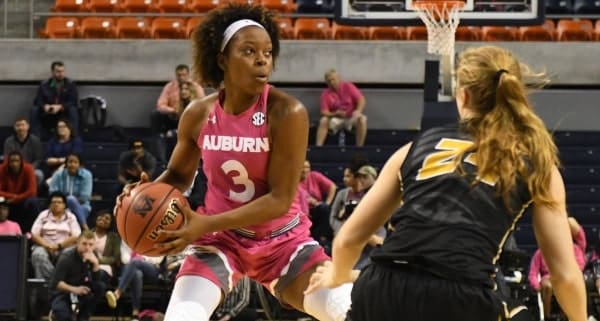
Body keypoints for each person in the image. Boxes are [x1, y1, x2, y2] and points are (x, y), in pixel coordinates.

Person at [306, 45, 587, 321]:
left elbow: (348, 240)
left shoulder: (415, 147)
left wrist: (338, 276)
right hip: (462, 298)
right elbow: (564, 275)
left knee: (322, 299)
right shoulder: (538, 162)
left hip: (384, 287)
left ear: (462, 96)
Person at [116, 4, 353, 321]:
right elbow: (178, 175)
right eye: (249, 51)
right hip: (220, 243)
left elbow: (280, 200)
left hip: (283, 243)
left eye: (268, 52)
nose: (262, 60)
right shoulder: (199, 114)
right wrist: (142, 197)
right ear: (222, 60)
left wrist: (205, 223)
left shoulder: (287, 112)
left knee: (351, 311)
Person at [105, 244, 183, 321]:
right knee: (137, 274)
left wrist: (143, 260)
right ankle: (135, 314)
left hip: (153, 269)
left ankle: (117, 293)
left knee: (135, 262)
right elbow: (124, 259)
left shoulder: (152, 236)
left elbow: (158, 259)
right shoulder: (127, 237)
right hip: (132, 270)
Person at [528, 217, 587, 320]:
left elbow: (580, 266)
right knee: (547, 285)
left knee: (567, 282)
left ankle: (566, 315)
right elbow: (533, 273)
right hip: (548, 278)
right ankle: (547, 316)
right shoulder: (540, 252)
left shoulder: (574, 248)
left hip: (564, 276)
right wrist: (536, 285)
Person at [48, 230, 107, 321]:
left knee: (100, 286)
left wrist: (96, 264)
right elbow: (56, 284)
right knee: (64, 317)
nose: (87, 248)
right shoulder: (66, 257)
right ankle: (55, 313)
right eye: (84, 244)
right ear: (77, 243)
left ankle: (83, 317)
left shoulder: (92, 255)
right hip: (64, 291)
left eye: (91, 245)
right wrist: (75, 290)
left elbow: (96, 280)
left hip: (81, 288)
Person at [153, 64, 205, 162]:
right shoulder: (171, 88)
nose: (183, 92)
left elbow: (202, 108)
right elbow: (160, 105)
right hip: (175, 117)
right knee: (157, 116)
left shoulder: (196, 89)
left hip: (193, 122)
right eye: (179, 75)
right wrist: (174, 111)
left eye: (184, 75)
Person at [30, 192, 81, 280]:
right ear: (49, 205)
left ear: (64, 205)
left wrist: (59, 246)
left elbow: (76, 236)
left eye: (59, 202)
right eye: (53, 202)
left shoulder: (71, 217)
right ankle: (55, 282)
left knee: (69, 254)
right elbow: (34, 234)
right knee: (38, 255)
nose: (56, 204)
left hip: (64, 247)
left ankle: (55, 282)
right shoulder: (43, 215)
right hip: (45, 246)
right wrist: (47, 246)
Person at [315, 69, 367, 147]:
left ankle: (359, 147)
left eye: (333, 79)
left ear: (338, 78)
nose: (332, 82)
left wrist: (358, 111)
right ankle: (318, 147)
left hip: (351, 117)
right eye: (329, 81)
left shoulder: (348, 86)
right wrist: (334, 114)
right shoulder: (325, 94)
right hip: (336, 119)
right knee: (323, 120)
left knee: (362, 119)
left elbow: (361, 99)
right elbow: (324, 112)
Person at [31, 61, 79, 138]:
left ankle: (74, 138)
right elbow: (38, 100)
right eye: (58, 71)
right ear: (53, 72)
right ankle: (35, 139)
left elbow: (73, 101)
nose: (61, 74)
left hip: (63, 112)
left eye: (63, 71)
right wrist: (44, 106)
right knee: (35, 109)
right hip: (48, 112)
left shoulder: (70, 84)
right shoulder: (44, 84)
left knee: (73, 110)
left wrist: (61, 106)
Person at [48, 153, 93, 230]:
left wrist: (70, 202)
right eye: (70, 162)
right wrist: (64, 204)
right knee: (70, 204)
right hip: (60, 205)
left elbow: (84, 197)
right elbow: (52, 192)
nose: (72, 164)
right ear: (66, 164)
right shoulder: (58, 174)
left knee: (74, 203)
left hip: (82, 205)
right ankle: (84, 227)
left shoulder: (87, 175)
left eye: (75, 162)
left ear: (80, 165)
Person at [0, 150, 40, 233]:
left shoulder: (28, 168)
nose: (14, 164)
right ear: (8, 162)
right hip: (6, 200)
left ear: (21, 162)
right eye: (12, 161)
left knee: (33, 201)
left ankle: (30, 231)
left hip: (23, 200)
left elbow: (32, 191)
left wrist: (16, 198)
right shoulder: (2, 169)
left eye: (17, 161)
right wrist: (12, 197)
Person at [299, 160, 337, 246]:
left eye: (307, 167)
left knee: (324, 208)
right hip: (301, 212)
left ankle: (323, 238)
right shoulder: (293, 181)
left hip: (317, 210)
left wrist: (327, 202)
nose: (305, 170)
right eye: (302, 167)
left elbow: (332, 186)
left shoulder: (314, 176)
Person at [3, 117, 45, 187]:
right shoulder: (8, 141)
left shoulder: (35, 140)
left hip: (31, 168)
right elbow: (6, 158)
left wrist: (28, 168)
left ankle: (32, 194)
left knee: (39, 174)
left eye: (23, 125)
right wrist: (14, 168)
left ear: (28, 126)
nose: (20, 128)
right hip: (13, 168)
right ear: (14, 127)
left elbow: (38, 159)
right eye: (18, 125)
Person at [90, 210, 121, 280]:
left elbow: (115, 257)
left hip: (105, 267)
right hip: (89, 265)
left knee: (98, 274)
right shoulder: (88, 234)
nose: (103, 219)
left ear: (111, 223)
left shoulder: (114, 237)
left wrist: (98, 260)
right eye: (101, 216)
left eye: (107, 218)